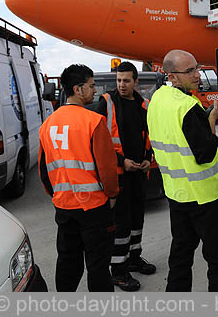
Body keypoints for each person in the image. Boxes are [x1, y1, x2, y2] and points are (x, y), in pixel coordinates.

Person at [147, 50, 218, 292]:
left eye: (197, 68)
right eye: (190, 71)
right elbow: (205, 153)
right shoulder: (187, 107)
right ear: (172, 77)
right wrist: (211, 123)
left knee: (181, 255)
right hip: (204, 195)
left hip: (177, 193)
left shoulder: (157, 100)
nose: (197, 75)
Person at [38, 64, 119, 292]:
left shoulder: (47, 125)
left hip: (63, 205)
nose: (95, 91)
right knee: (98, 264)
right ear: (78, 89)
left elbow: (44, 171)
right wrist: (112, 194)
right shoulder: (93, 121)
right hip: (93, 206)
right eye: (91, 86)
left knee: (67, 261)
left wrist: (56, 195)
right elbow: (107, 166)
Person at [95, 61, 155, 291]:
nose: (121, 84)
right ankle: (118, 271)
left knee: (137, 218)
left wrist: (148, 157)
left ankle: (134, 258)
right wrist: (123, 162)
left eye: (126, 80)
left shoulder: (144, 105)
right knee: (121, 224)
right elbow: (99, 142)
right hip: (119, 174)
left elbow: (149, 136)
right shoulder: (107, 103)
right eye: (119, 80)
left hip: (139, 173)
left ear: (135, 82)